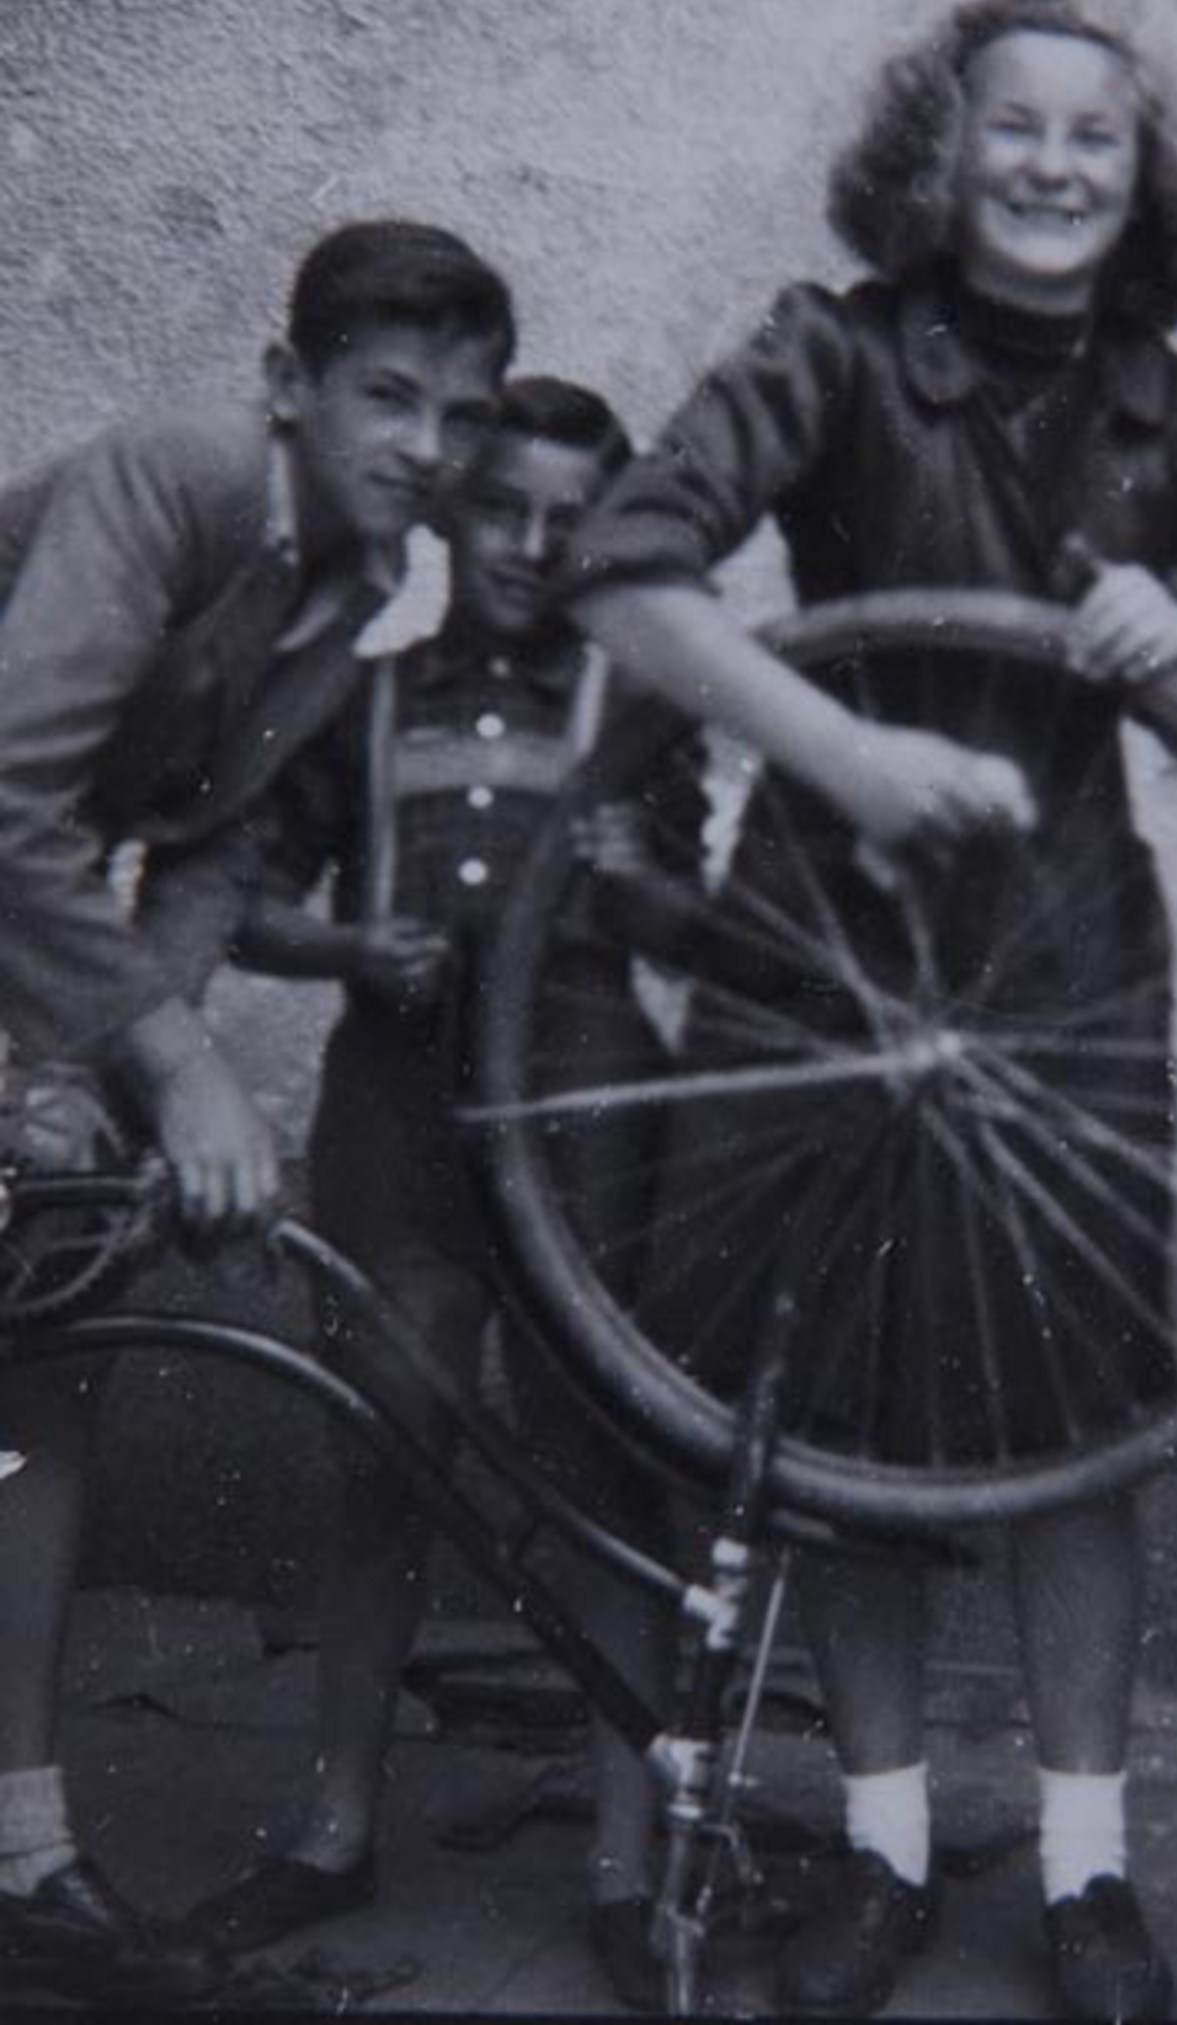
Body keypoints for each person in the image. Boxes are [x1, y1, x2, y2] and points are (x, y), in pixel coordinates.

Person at [559, 0, 1177, 2023]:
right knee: (838, 1400)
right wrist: (844, 754)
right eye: (1011, 127)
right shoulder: (833, 351)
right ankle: (877, 1850)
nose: (1052, 165)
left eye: (1095, 136)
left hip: (1065, 953)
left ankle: (1088, 1873)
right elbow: (627, 568)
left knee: (1078, 1416)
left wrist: (1175, 641)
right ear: (937, 161)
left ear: (1141, 178)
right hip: (832, 929)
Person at [0, 221, 515, 2008]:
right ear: (290, 387)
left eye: (464, 414)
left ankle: (23, 1858)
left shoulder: (360, 584)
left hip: (30, 947)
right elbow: (8, 791)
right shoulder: (182, 481)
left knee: (42, 1345)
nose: (428, 448)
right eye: (389, 396)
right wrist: (174, 1064)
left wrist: (94, 1088)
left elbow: (210, 845)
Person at [178, 378, 692, 2010]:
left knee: (605, 1466)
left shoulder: (637, 702)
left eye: (569, 524)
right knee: (384, 1447)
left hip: (585, 1107)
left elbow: (697, 921)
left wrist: (638, 888)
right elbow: (246, 903)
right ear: (456, 511)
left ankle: (628, 1870)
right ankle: (335, 1831)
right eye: (503, 510)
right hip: (396, 1112)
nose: (531, 546)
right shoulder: (364, 693)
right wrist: (347, 944)